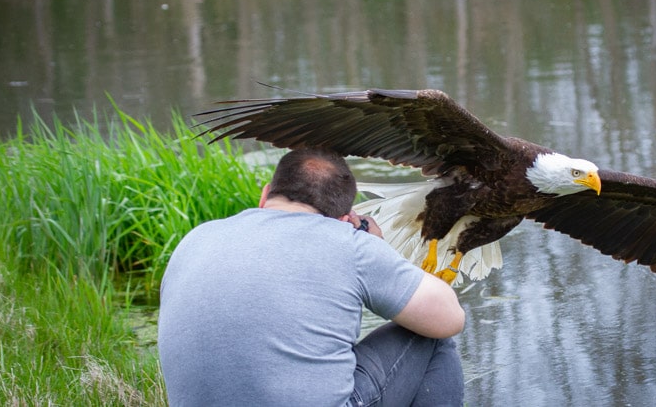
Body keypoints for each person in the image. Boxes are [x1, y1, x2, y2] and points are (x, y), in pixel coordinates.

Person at [158, 148, 465, 406]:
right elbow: (449, 318)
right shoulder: (349, 243)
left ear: (265, 195)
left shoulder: (196, 238)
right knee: (435, 338)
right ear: (345, 219)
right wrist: (376, 247)